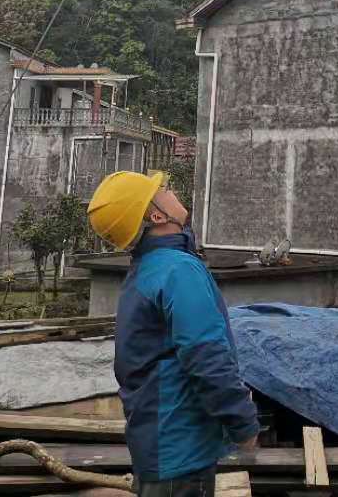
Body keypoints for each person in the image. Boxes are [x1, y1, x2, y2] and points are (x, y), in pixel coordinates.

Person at [88, 170, 259, 497]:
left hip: (160, 448)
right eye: (164, 189)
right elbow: (206, 356)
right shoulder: (177, 270)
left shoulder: (148, 270)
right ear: (156, 214)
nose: (172, 191)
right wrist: (243, 423)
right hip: (181, 453)